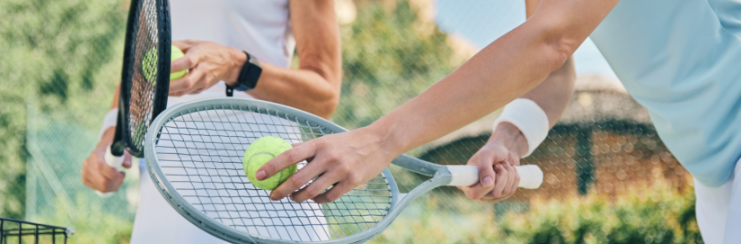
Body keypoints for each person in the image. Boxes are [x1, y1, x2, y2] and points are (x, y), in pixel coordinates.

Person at [257, 0, 741, 243]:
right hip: (716, 179)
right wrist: (509, 138)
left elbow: (551, 41)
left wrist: (378, 141)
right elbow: (554, 68)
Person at [81, 1, 342, 243]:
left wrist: (235, 66)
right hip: (166, 186)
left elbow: (323, 98)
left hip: (265, 191)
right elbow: (139, 71)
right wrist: (109, 136)